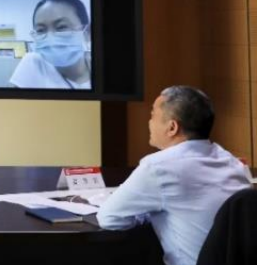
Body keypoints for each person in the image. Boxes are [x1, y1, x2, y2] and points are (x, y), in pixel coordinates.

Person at [98, 86, 252, 265]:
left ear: (172, 127)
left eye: (153, 115)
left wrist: (149, 211)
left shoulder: (158, 167)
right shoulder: (231, 161)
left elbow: (109, 219)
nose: (149, 122)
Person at [10, 0, 91, 89]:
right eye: (41, 30)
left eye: (61, 27)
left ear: (87, 32)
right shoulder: (34, 62)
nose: (51, 38)